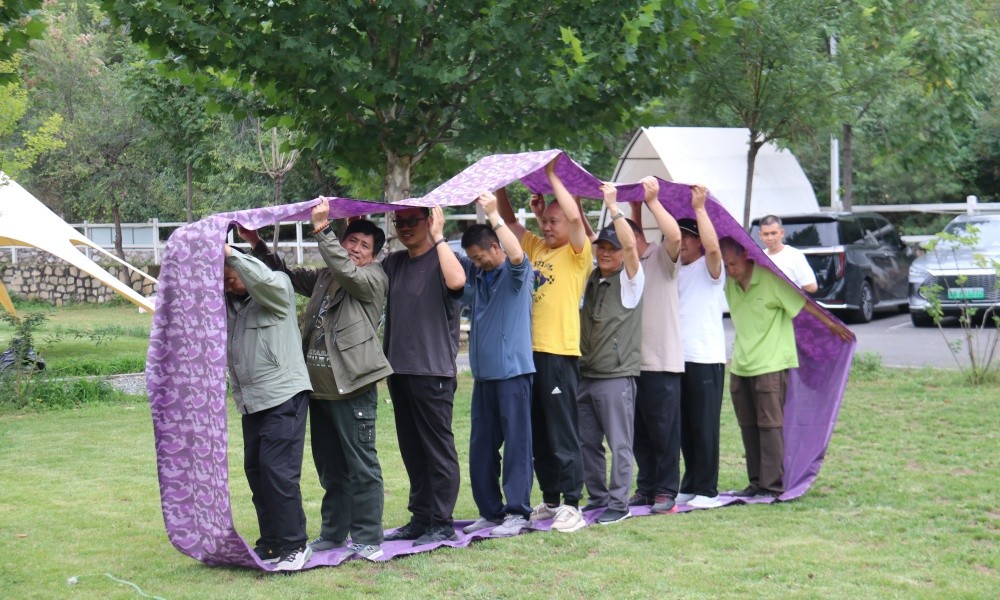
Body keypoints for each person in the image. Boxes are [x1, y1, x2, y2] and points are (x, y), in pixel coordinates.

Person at [241, 200, 393, 562]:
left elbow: (349, 273)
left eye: (363, 246)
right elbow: (287, 275)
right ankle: (334, 532)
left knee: (361, 465)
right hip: (319, 391)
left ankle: (368, 537)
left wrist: (323, 230)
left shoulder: (373, 279)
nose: (355, 248)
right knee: (330, 469)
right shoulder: (328, 276)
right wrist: (257, 244)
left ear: (373, 256)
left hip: (353, 388)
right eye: (351, 241)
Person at [497, 158, 593, 533]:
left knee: (562, 431)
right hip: (529, 353)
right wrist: (500, 186)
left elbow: (574, 216)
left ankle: (572, 504)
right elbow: (509, 223)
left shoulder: (578, 253)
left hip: (558, 353)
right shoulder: (538, 248)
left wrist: (553, 175)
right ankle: (551, 499)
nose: (547, 226)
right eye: (545, 221)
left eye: (554, 222)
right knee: (537, 430)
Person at [719, 237, 854, 498]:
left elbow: (803, 303)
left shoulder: (770, 279)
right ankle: (755, 482)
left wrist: (831, 325)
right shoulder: (731, 284)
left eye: (733, 263)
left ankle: (771, 485)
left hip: (771, 364)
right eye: (726, 265)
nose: (730, 270)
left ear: (746, 255)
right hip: (741, 365)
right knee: (748, 426)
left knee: (770, 426)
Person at [222, 243, 313, 571]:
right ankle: (272, 542)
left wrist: (229, 252)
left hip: (283, 395)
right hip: (253, 400)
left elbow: (260, 278)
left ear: (246, 268)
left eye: (230, 277)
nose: (227, 285)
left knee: (278, 471)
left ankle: (294, 544)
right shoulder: (229, 303)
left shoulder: (278, 287)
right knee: (257, 471)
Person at [382, 205, 467, 546]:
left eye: (412, 221)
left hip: (433, 372)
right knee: (413, 451)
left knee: (437, 450)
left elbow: (457, 282)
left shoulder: (443, 258)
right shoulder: (394, 263)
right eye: (399, 221)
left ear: (429, 222)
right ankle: (421, 518)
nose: (404, 227)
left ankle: (442, 522)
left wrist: (439, 236)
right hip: (399, 370)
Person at [459, 191, 535, 537]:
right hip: (484, 378)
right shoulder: (477, 276)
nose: (477, 263)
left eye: (481, 257)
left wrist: (494, 214)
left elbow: (517, 253)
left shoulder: (517, 274)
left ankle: (517, 512)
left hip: (513, 374)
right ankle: (490, 512)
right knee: (481, 448)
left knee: (517, 446)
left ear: (495, 247)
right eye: (472, 259)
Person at [577, 183, 645, 525]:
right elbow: (587, 237)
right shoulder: (593, 277)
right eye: (602, 248)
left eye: (611, 248)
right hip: (586, 375)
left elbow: (631, 246)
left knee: (619, 444)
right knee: (587, 442)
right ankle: (598, 498)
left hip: (615, 377)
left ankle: (619, 504)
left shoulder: (632, 280)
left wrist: (613, 206)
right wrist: (575, 204)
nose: (605, 253)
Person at [625, 176, 683, 515]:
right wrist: (633, 208)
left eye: (623, 241)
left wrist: (651, 202)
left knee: (664, 432)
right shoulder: (626, 265)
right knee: (639, 433)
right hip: (632, 363)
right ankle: (646, 488)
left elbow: (673, 236)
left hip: (661, 361)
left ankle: (666, 490)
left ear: (634, 239)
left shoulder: (662, 257)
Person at [675, 185, 727, 509]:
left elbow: (714, 247)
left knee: (705, 426)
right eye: (678, 236)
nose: (681, 242)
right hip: (678, 359)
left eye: (686, 237)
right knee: (685, 426)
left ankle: (708, 490)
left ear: (697, 241)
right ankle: (691, 482)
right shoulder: (676, 269)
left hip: (705, 357)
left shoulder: (710, 269)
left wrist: (699, 208)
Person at [758, 215, 818, 293]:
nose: (770, 238)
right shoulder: (758, 257)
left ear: (782, 233)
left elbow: (811, 288)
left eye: (773, 233)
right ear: (760, 235)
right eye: (766, 234)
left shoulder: (795, 256)